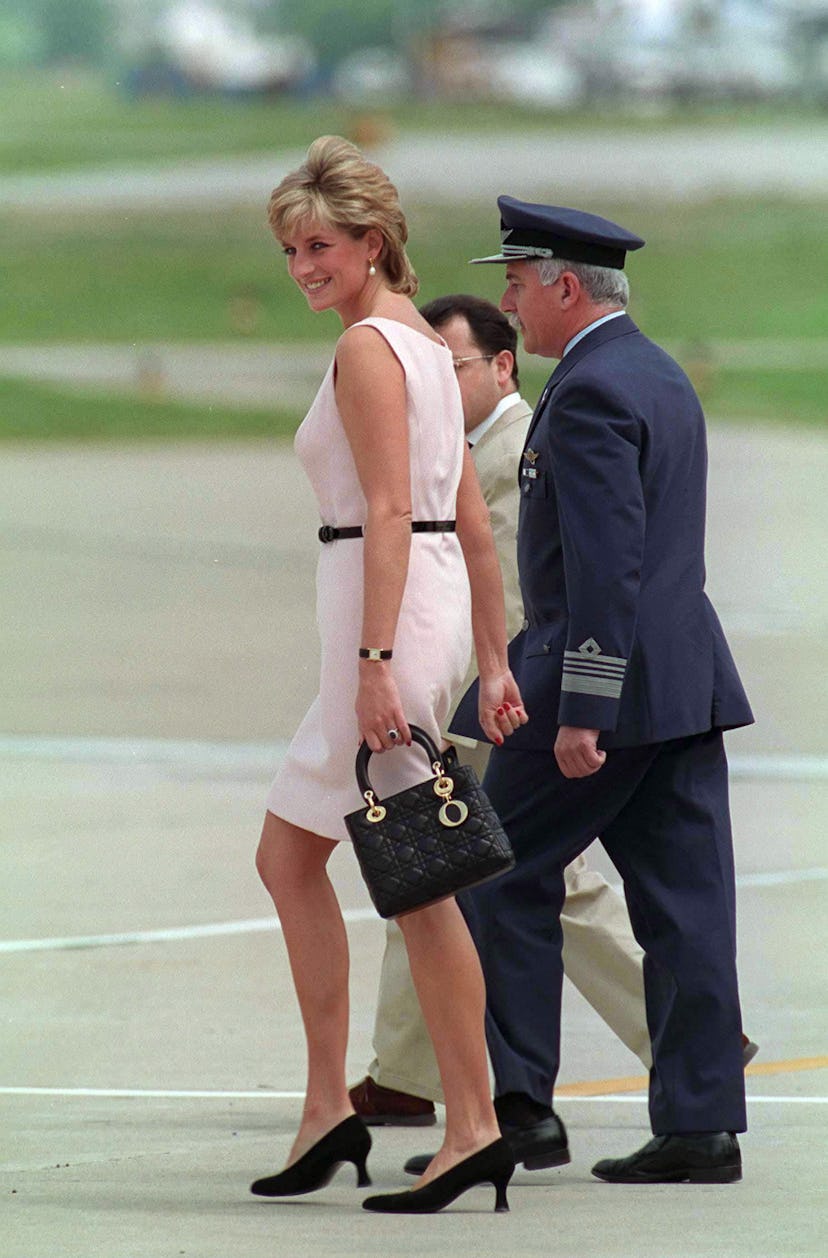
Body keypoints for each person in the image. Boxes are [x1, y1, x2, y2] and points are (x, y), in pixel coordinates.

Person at [413, 196, 755, 1186]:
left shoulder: (596, 389)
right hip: (684, 683)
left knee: (485, 872)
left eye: (518, 284)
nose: (511, 302)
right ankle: (701, 1125)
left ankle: (517, 1110)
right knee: (688, 908)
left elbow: (611, 565)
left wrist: (585, 711)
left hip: (597, 687)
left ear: (566, 285)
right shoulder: (656, 372)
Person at [249, 138, 526, 1215]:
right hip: (411, 607)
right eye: (288, 249)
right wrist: (491, 656)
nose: (302, 265)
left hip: (383, 614)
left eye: (319, 245)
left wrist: (375, 665)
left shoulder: (371, 349)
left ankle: (474, 1126)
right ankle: (329, 1107)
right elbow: (468, 522)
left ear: (372, 243)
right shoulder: (420, 339)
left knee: (420, 884)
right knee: (290, 855)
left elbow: (385, 515)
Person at [349, 293, 655, 1132]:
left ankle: (679, 1031)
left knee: (491, 880)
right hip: (467, 702)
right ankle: (406, 1072)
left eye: (451, 372)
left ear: (501, 367)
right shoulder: (465, 448)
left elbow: (522, 599)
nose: (437, 392)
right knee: (433, 878)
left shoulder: (513, 451)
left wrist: (482, 695)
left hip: (491, 705)